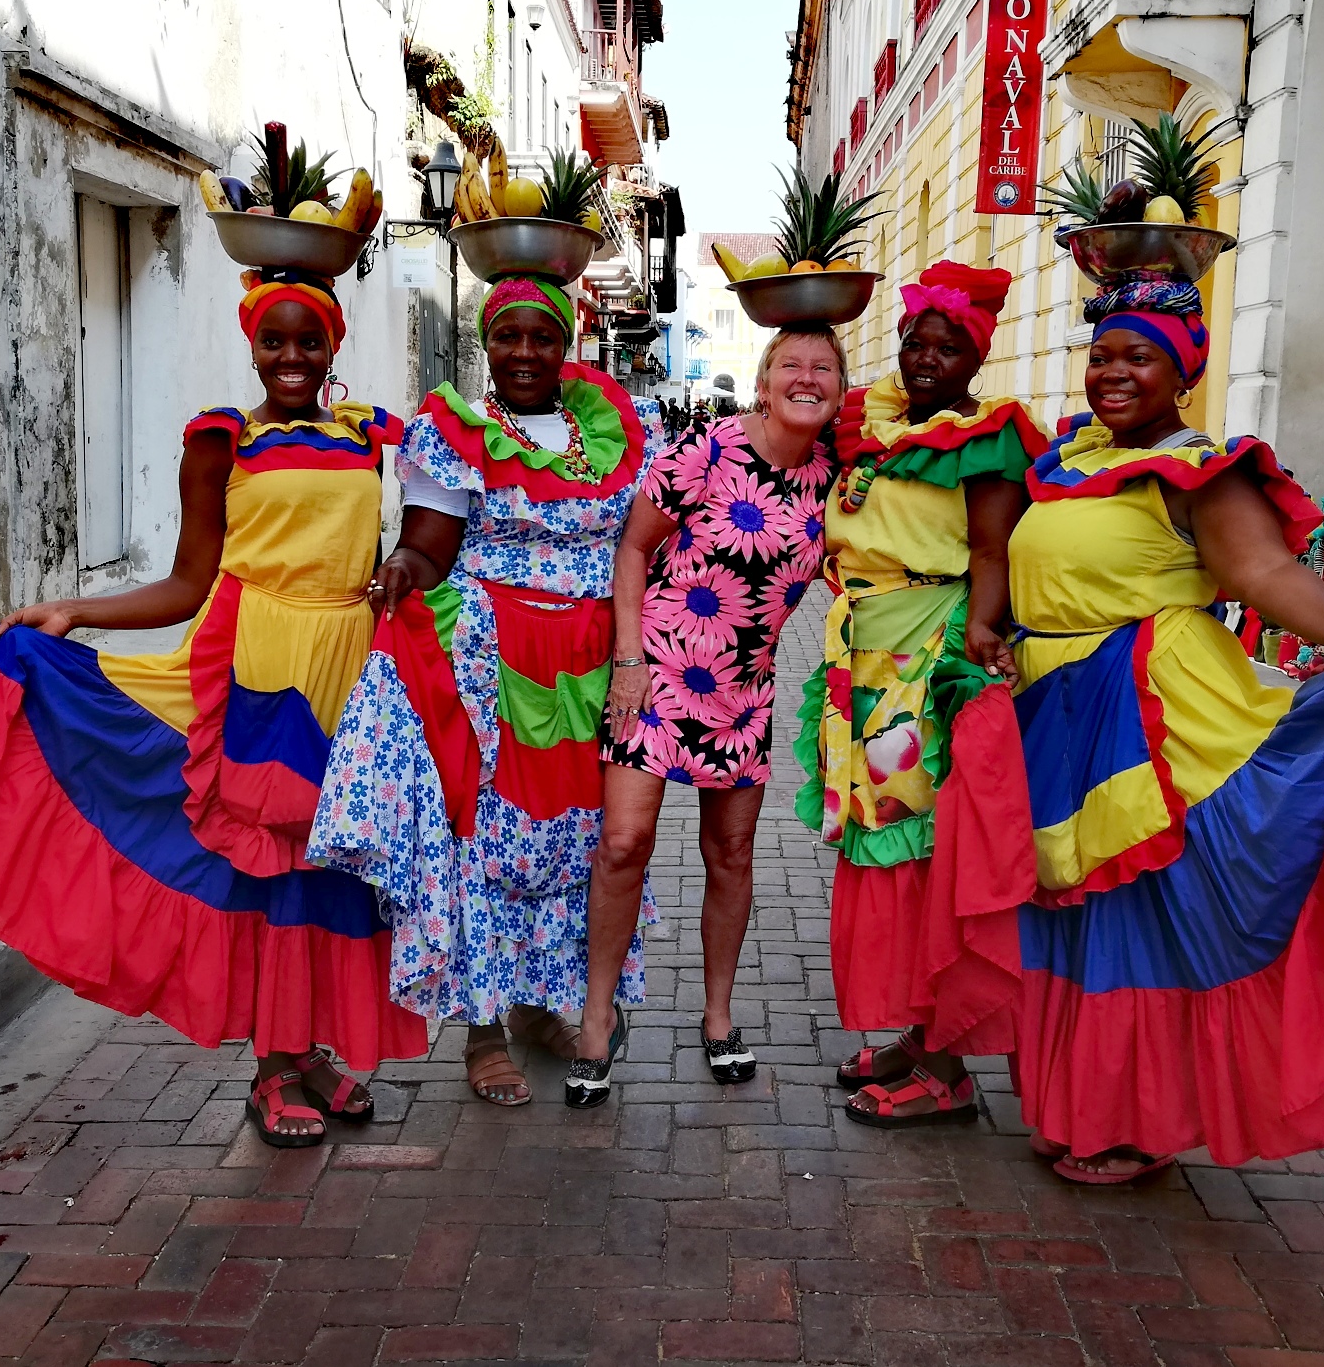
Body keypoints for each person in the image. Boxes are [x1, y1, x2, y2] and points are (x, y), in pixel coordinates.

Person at [0, 273, 428, 1148]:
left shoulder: (370, 437)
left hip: (345, 670)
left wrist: (395, 572)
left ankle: (306, 1047)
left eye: (309, 342)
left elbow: (410, 531)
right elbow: (187, 580)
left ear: (335, 346)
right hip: (250, 670)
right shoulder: (222, 441)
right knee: (266, 868)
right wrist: (73, 613)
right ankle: (271, 1070)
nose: (291, 358)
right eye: (274, 342)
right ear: (251, 346)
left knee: (333, 865)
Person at [1005, 278, 1324, 1184]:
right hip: (1059, 708)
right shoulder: (1072, 460)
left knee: (1146, 913)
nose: (1114, 374)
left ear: (1183, 373)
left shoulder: (1202, 467)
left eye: (1141, 356)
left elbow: (1265, 569)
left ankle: (1134, 1119)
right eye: (1104, 354)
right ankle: (1083, 1100)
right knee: (1079, 912)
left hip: (1157, 715)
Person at [309, 278, 661, 1108]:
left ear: (568, 340)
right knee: (487, 840)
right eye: (509, 338)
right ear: (487, 343)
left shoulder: (606, 431)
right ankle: (480, 1028)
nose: (527, 353)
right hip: (488, 664)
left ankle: (540, 1006)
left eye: (544, 336)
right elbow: (429, 547)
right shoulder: (456, 431)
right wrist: (403, 568)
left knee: (575, 843)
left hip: (589, 663)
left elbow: (642, 543)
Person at [796, 263, 1046, 1126]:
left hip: (925, 661)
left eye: (950, 345)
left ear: (976, 356)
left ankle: (944, 1066)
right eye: (917, 340)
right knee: (886, 842)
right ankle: (919, 1030)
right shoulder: (877, 423)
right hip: (866, 661)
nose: (928, 357)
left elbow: (992, 552)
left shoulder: (988, 437)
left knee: (924, 854)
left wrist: (982, 635)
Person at [571, 326, 845, 1107]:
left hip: (745, 690)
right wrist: (626, 661)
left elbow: (851, 569)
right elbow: (633, 548)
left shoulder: (834, 479)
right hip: (655, 674)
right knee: (623, 842)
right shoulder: (708, 447)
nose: (805, 376)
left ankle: (718, 1016)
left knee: (730, 852)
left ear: (837, 391)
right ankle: (598, 1019)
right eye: (790, 362)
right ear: (764, 380)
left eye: (823, 367)